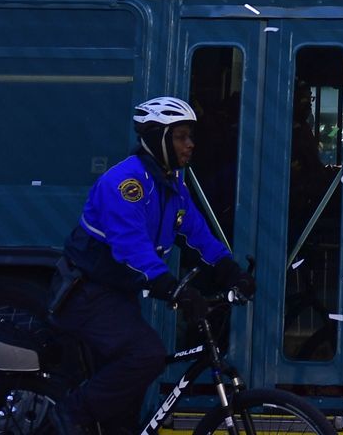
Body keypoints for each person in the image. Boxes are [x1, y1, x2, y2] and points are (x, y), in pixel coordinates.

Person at [50, 97, 248, 434]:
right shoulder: (126, 183)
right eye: (181, 136)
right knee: (147, 356)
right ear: (158, 137)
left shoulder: (172, 183)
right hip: (86, 294)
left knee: (125, 411)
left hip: (115, 296)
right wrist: (174, 289)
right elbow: (131, 248)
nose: (190, 145)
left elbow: (196, 230)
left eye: (190, 137)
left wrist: (229, 269)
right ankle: (69, 414)